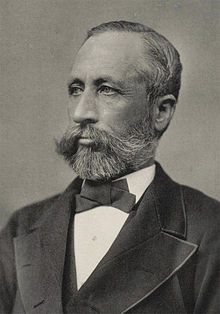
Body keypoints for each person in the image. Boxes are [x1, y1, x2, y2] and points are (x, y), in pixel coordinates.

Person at [0, 20, 219, 314]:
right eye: (76, 89)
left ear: (161, 112)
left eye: (107, 90)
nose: (81, 112)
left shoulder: (210, 231)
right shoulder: (21, 227)